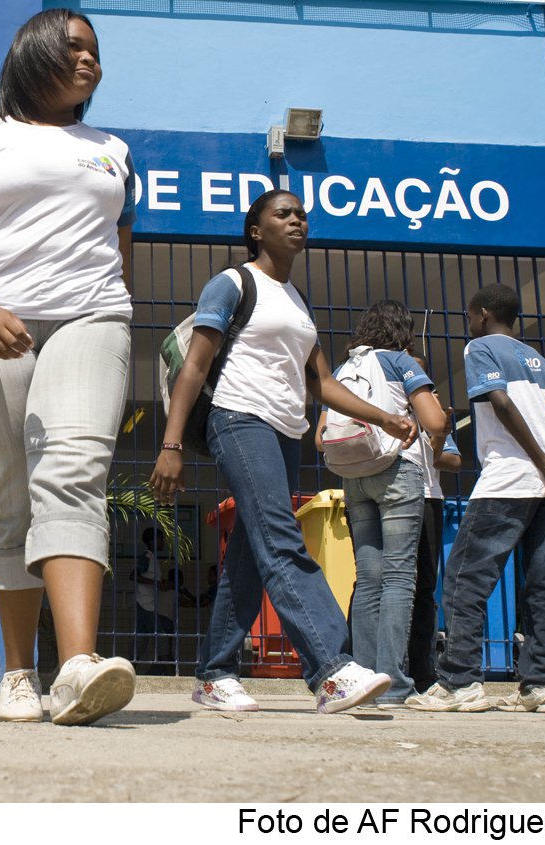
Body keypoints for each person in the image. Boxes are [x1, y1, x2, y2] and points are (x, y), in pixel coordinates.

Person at [0, 9, 138, 725]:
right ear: (34, 53)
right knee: (11, 489)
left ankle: (76, 668)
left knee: (72, 471)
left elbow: (119, 247)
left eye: (95, 51)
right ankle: (19, 671)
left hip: (91, 316)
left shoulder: (114, 150)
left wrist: (117, 310)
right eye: (74, 47)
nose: (89, 60)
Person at [148, 189, 417, 714]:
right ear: (257, 230)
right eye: (283, 214)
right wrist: (171, 443)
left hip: (285, 430)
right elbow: (195, 367)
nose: (297, 220)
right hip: (239, 418)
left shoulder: (297, 300)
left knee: (253, 553)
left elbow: (322, 382)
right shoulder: (233, 283)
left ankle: (214, 673)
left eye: (301, 215)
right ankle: (331, 669)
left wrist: (382, 416)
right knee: (280, 539)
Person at [408, 283, 545, 713]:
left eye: (468, 317)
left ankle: (459, 682)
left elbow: (499, 402)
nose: (468, 325)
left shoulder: (479, 348)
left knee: (465, 579)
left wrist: (540, 460)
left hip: (507, 481)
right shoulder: (540, 361)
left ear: (481, 315)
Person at [314, 302, 448, 706]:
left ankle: (366, 682)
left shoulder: (343, 370)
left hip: (354, 478)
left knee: (369, 578)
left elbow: (320, 437)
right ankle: (394, 684)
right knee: (399, 577)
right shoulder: (400, 361)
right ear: (403, 332)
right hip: (397, 471)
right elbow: (436, 421)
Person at [406, 360, 462, 695]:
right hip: (392, 495)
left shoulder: (432, 412)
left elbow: (452, 461)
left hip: (429, 497)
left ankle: (421, 671)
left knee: (425, 588)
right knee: (375, 583)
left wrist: (438, 435)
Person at [132, 526, 197, 669]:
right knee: (162, 638)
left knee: (141, 641)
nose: (163, 542)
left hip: (147, 603)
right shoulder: (147, 557)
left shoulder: (153, 559)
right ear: (153, 540)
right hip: (146, 604)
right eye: (161, 539)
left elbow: (152, 579)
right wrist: (157, 583)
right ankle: (169, 674)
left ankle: (127, 669)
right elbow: (134, 575)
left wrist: (162, 583)